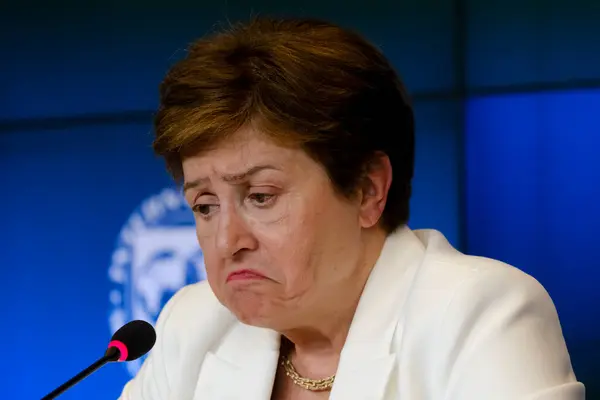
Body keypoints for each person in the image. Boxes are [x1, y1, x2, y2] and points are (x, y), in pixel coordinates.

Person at [118, 17, 584, 400]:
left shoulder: (480, 313)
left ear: (366, 190)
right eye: (204, 206)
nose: (227, 241)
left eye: (260, 197)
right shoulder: (194, 323)